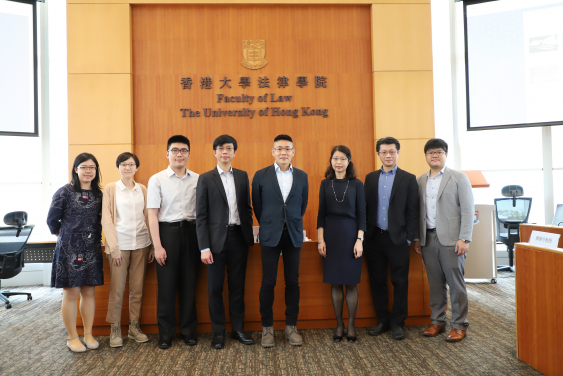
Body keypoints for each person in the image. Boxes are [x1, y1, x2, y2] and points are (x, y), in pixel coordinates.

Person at [196, 135, 255, 349]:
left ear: (234, 152)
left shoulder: (241, 176)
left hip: (239, 238)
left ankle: (238, 328)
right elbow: (201, 216)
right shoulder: (205, 178)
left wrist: (250, 233)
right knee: (215, 288)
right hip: (214, 242)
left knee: (238, 287)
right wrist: (204, 247)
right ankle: (218, 332)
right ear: (215, 152)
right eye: (221, 148)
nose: (225, 152)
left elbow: (246, 208)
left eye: (229, 148)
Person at [413, 138, 474, 342]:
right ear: (426, 157)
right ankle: (437, 321)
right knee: (435, 283)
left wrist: (465, 238)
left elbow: (467, 209)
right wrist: (417, 238)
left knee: (456, 285)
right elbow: (417, 212)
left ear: (445, 155)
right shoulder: (420, 180)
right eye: (431, 153)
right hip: (428, 239)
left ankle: (459, 325)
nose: (435, 155)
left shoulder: (458, 177)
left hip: (452, 240)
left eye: (439, 152)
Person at [252, 134, 309, 348]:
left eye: (287, 148)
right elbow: (257, 206)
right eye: (279, 148)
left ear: (293, 152)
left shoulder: (302, 176)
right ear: (273, 152)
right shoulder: (260, 175)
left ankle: (291, 327)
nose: (283, 152)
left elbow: (301, 206)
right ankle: (267, 329)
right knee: (268, 282)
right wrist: (270, 223)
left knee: (292, 282)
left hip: (293, 234)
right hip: (269, 234)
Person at [47, 153, 104, 353]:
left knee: (89, 291)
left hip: (92, 247)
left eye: (92, 167)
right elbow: (52, 221)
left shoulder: (99, 194)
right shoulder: (64, 192)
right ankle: (72, 336)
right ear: (75, 169)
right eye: (84, 167)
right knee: (71, 292)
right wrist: (66, 236)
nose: (88, 171)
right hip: (69, 247)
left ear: (96, 171)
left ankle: (88, 333)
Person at [147, 135, 200, 350]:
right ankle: (166, 334)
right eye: (175, 150)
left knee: (190, 286)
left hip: (192, 233)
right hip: (167, 233)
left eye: (184, 150)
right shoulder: (157, 179)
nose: (179, 154)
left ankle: (188, 331)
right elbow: (152, 215)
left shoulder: (198, 179)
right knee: (167, 287)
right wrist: (157, 246)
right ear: (167, 153)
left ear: (189, 153)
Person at [364, 137, 419, 340]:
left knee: (400, 282)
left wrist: (408, 239)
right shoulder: (370, 178)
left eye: (392, 152)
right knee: (377, 281)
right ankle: (382, 320)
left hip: (398, 240)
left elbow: (413, 210)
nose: (388, 155)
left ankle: (398, 323)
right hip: (374, 239)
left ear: (397, 153)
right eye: (384, 152)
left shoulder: (408, 178)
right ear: (378, 154)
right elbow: (366, 209)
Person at [101, 152, 154, 348]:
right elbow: (106, 219)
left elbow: (148, 217)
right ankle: (115, 328)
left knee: (137, 289)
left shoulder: (142, 189)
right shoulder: (111, 189)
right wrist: (113, 248)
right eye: (124, 164)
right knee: (117, 289)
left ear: (136, 168)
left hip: (141, 244)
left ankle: (134, 327)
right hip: (119, 246)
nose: (127, 168)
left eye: (131, 164)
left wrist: (152, 246)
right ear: (118, 167)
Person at [317, 145, 366, 343]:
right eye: (335, 158)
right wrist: (320, 240)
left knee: (352, 282)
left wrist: (360, 240)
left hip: (351, 235)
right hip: (331, 236)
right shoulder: (324, 184)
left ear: (349, 161)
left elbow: (363, 214)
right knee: (335, 282)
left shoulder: (357, 184)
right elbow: (321, 214)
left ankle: (352, 324)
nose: (339, 162)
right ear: (331, 161)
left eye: (343, 159)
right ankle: (339, 324)